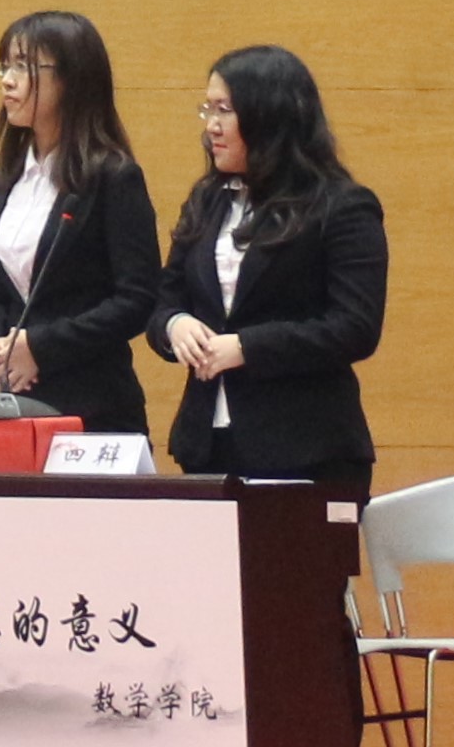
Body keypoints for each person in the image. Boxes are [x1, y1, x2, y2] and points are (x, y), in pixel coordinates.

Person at [161, 43, 390, 486]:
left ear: (269, 115)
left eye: (224, 110)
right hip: (208, 442)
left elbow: (354, 327)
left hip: (306, 447)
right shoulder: (207, 199)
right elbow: (166, 295)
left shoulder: (342, 206)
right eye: (207, 109)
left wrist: (246, 347)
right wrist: (175, 324)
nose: (211, 126)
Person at [0, 8, 164, 446]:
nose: (7, 81)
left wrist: (39, 348)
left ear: (71, 79)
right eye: (5, 66)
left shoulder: (113, 177)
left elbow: (137, 298)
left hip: (93, 405)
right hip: (13, 402)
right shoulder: (10, 177)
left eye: (23, 67)